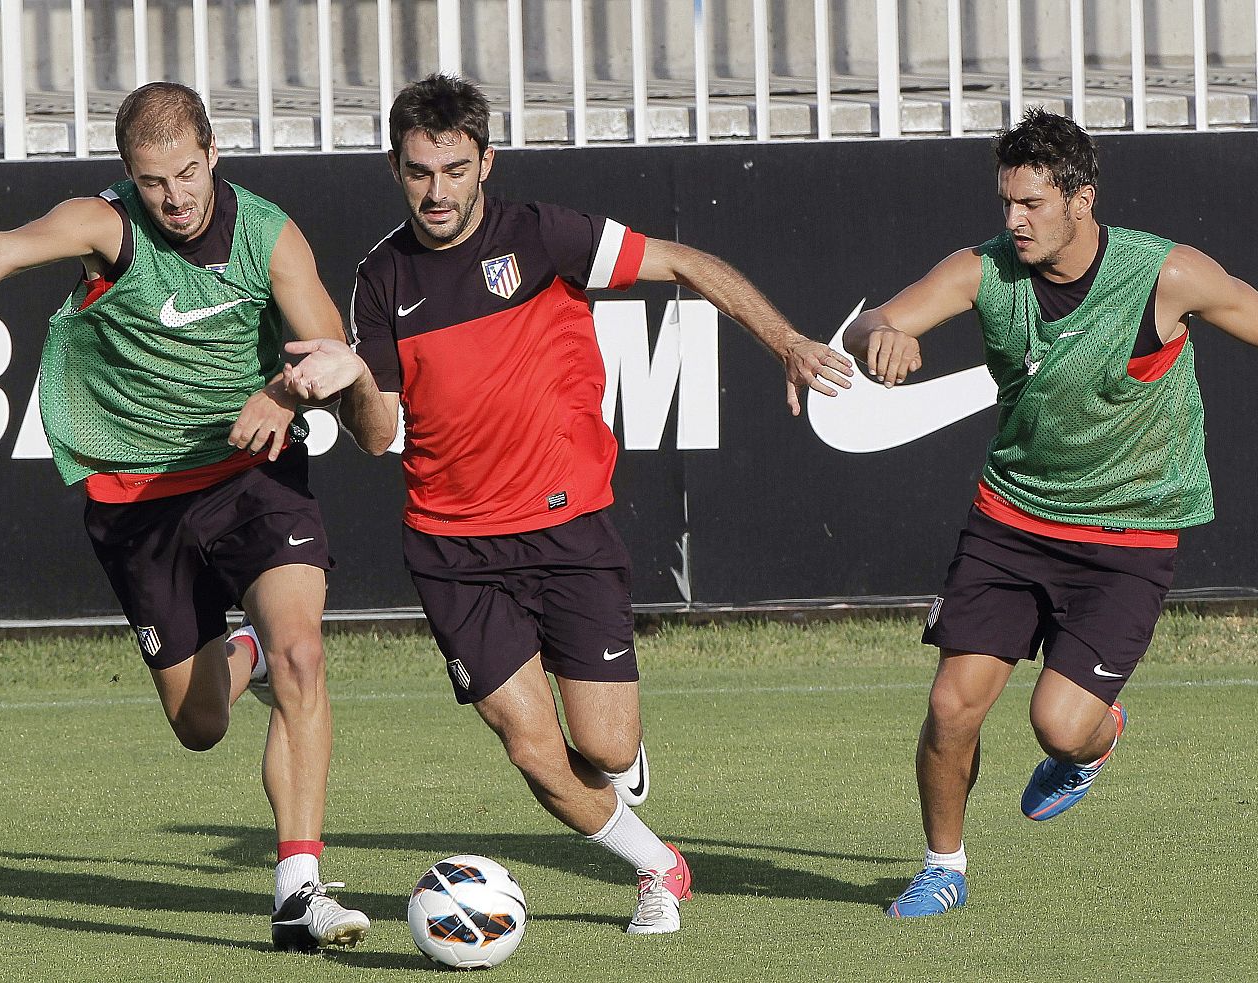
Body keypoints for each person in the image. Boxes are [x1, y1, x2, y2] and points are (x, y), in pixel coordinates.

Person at [281, 73, 858, 935]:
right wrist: (358, 379)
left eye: (454, 169)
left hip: (566, 532)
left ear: (486, 161)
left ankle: (623, 764)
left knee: (606, 748)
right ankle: (659, 867)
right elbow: (374, 437)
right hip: (452, 549)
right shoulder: (379, 278)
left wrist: (787, 341)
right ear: (393, 168)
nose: (436, 191)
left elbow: (683, 261)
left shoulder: (545, 235)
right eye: (417, 172)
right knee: (533, 752)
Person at [0, 82, 378, 952]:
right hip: (137, 496)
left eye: (188, 173)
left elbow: (332, 353)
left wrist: (283, 387)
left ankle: (298, 888)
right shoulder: (107, 225)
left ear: (214, 153)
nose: (176, 197)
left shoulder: (269, 235)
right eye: (154, 182)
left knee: (306, 654)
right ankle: (249, 653)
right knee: (199, 726)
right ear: (129, 176)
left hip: (251, 472)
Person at [841, 109, 1258, 918]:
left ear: (1081, 200)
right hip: (1010, 523)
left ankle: (1096, 739)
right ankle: (943, 865)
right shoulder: (983, 272)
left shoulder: (1165, 273)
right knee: (951, 707)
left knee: (1059, 725)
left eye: (1032, 205)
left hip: (1127, 535)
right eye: (1006, 203)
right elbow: (877, 320)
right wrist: (883, 338)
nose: (1013, 220)